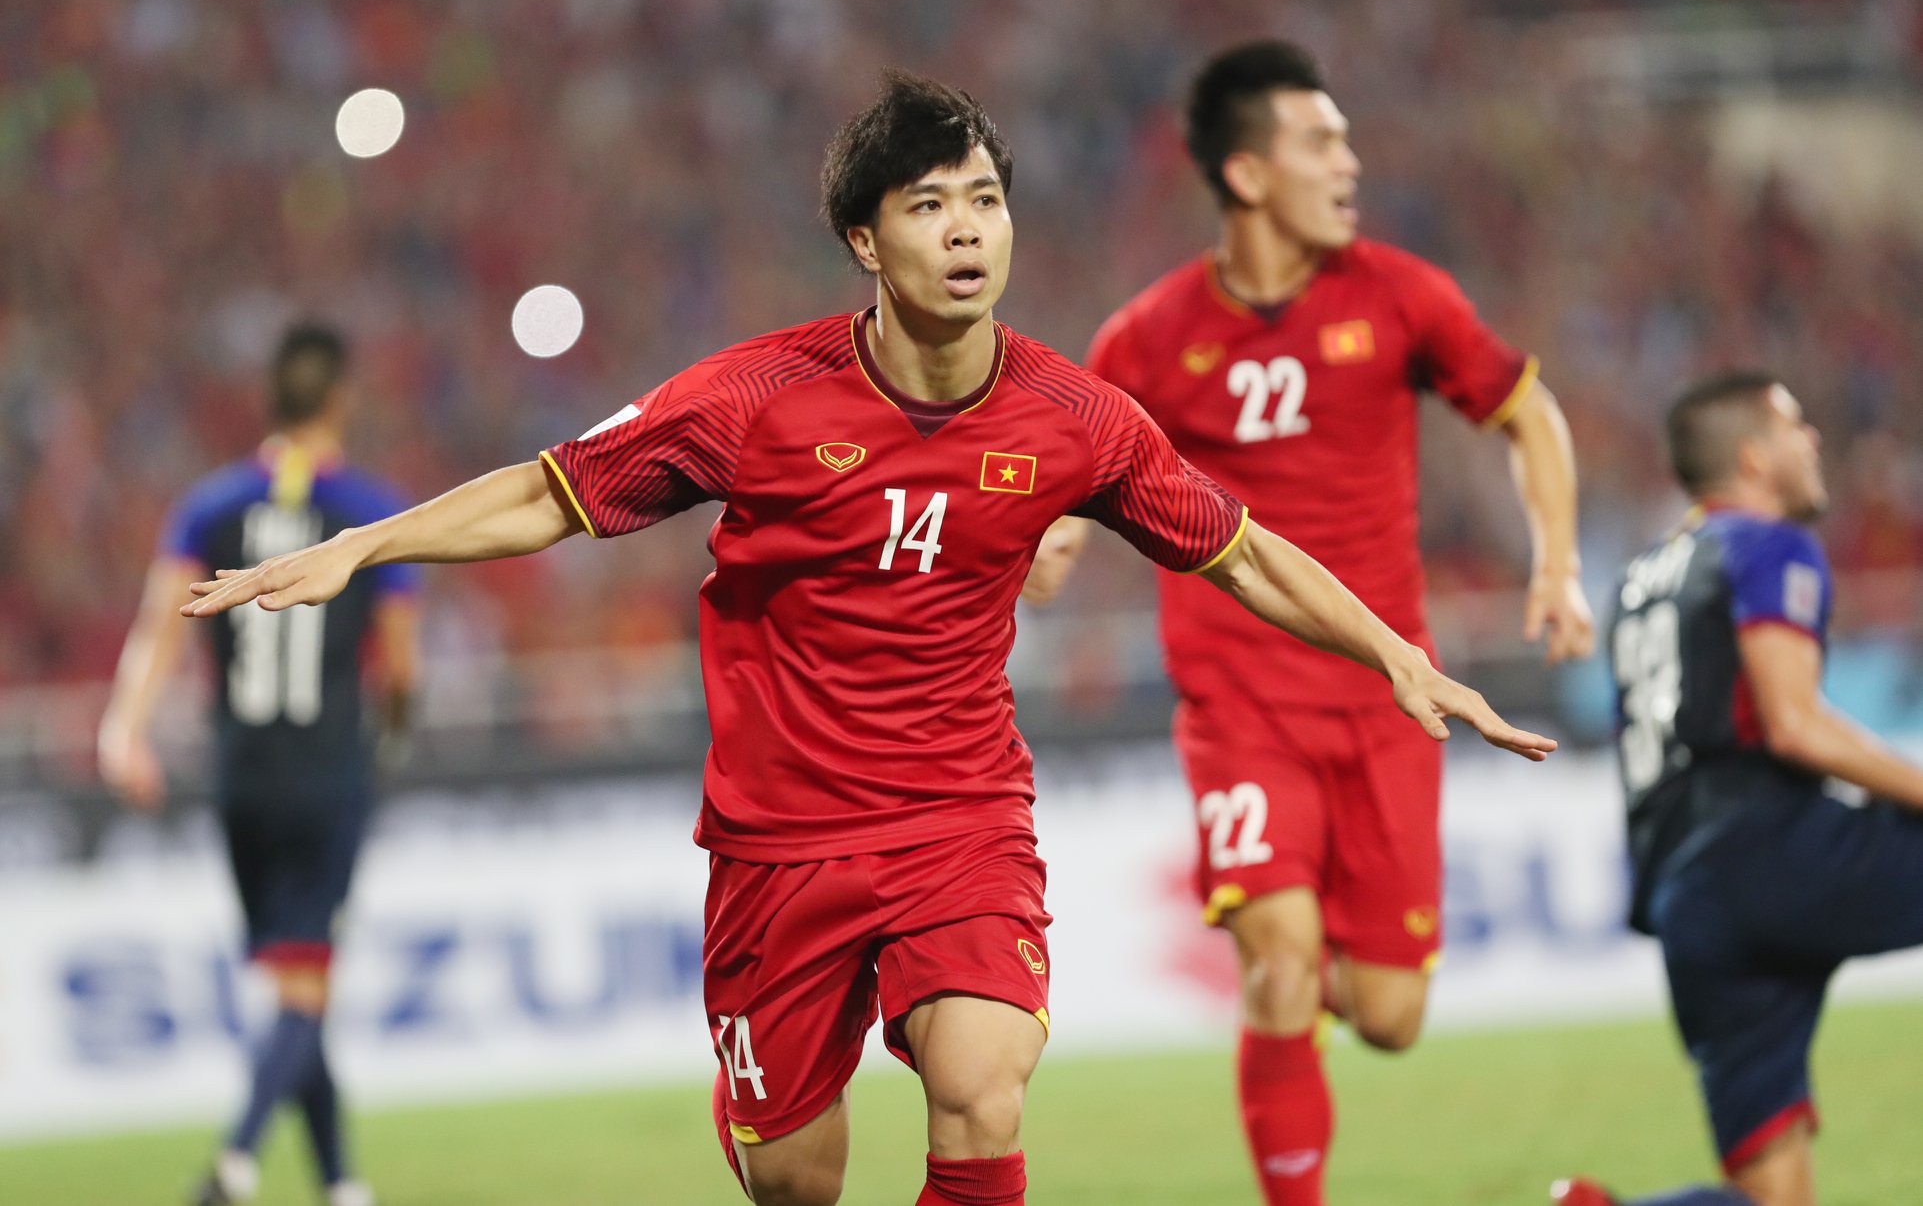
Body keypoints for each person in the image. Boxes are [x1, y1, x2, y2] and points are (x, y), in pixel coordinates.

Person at [181, 71, 1554, 1206]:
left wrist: (1395, 654)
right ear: (864, 241)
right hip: (776, 842)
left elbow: (1240, 549)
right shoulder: (752, 401)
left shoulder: (1075, 419)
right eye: (928, 205)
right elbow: (544, 495)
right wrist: (366, 543)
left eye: (986, 201)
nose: (967, 230)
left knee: (979, 1085)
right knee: (793, 1179)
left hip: (958, 815)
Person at [1020, 39, 1593, 1204]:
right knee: (1279, 967)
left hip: (1392, 701)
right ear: (1245, 174)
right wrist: (1060, 535)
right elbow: (1072, 467)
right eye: (1321, 142)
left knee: (1387, 1014)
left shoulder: (1402, 296)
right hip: (1241, 706)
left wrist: (1560, 562)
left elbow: (1530, 417)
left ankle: (1316, 954)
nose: (1351, 161)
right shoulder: (1148, 335)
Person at [1553, 373, 1923, 1206]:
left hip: (1687, 899)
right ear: (1753, 455)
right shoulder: (1765, 544)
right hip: (1768, 852)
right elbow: (1792, 723)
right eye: (1795, 425)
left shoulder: (1641, 576)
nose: (1814, 440)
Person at [98, 324, 421, 1206]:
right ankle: (235, 1164)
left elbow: (159, 626)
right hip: (327, 773)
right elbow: (398, 666)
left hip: (240, 775)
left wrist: (124, 728)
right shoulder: (371, 508)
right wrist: (393, 730)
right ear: (339, 401)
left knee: (292, 982)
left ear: (270, 402)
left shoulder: (209, 506)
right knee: (305, 985)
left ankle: (344, 1186)